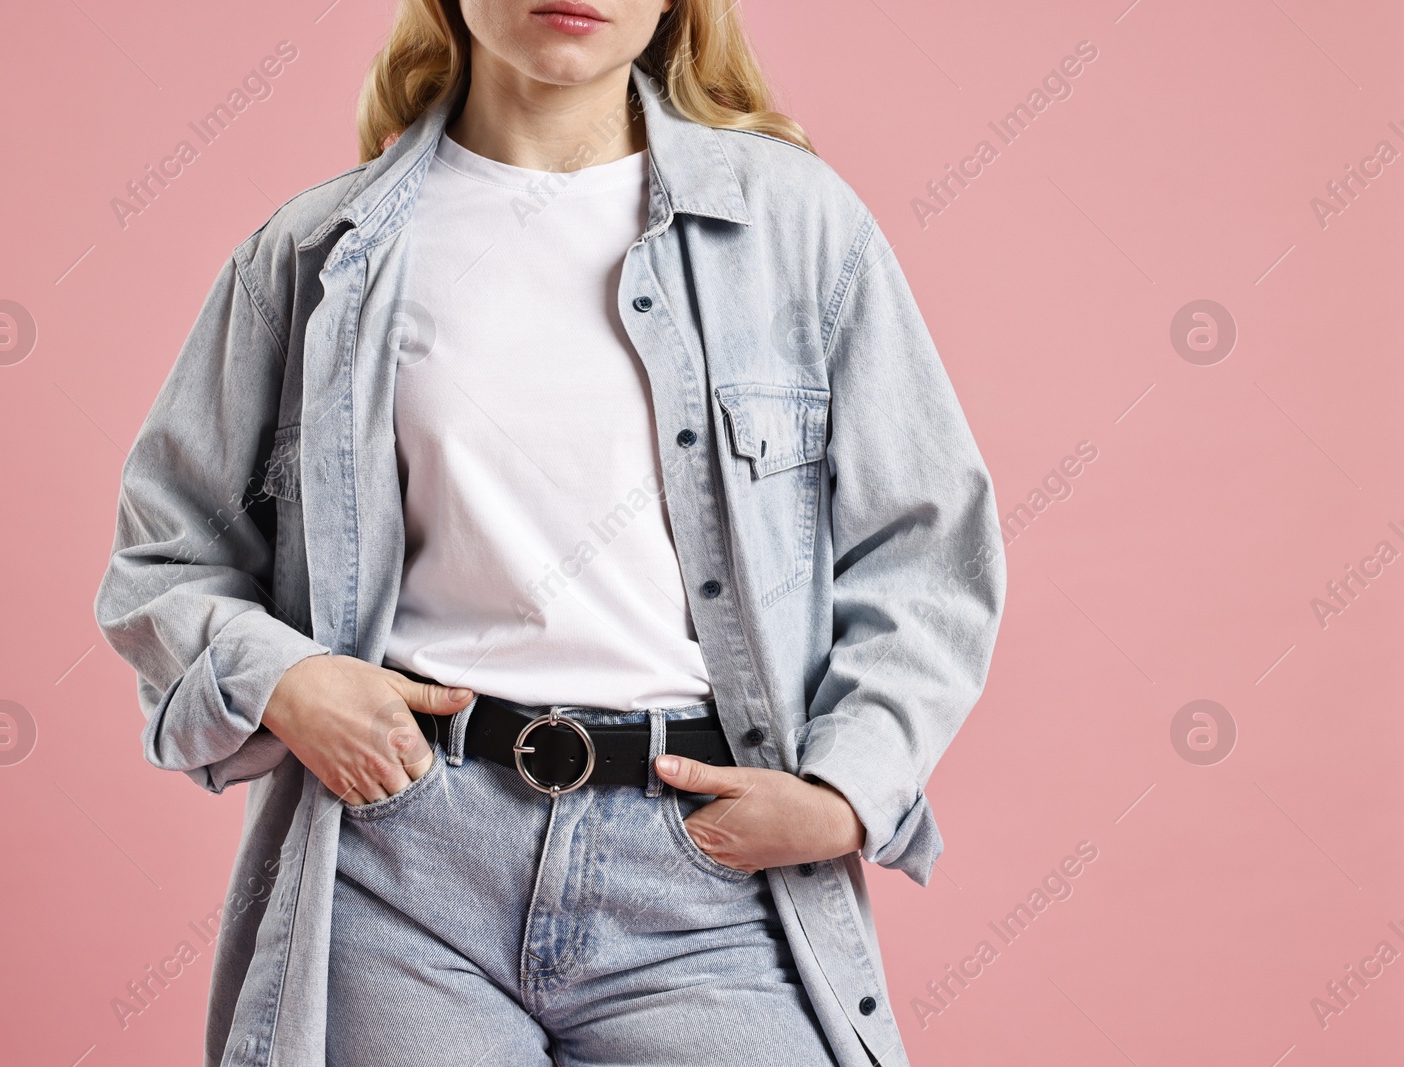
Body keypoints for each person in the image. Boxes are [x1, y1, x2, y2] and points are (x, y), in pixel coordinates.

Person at [94, 1, 1006, 1064]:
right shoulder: (315, 252)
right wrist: (289, 682)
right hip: (401, 858)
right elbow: (166, 552)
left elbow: (928, 542)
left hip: (707, 871)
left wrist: (849, 791)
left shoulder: (795, 228)